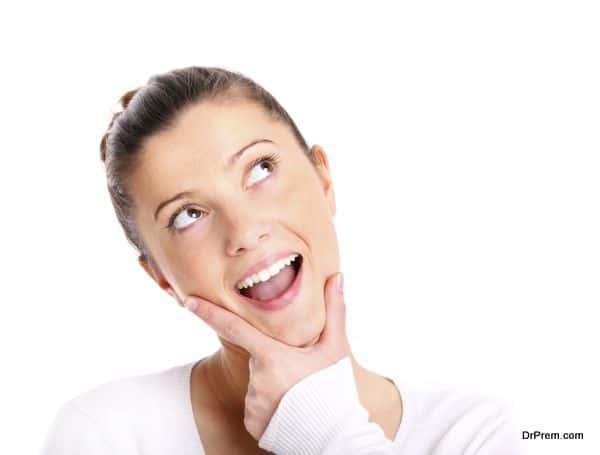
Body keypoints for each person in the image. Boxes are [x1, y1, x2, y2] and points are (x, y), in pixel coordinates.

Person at [41, 66, 524, 454]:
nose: (245, 231)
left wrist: (324, 430)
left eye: (260, 169)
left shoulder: (477, 436)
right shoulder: (106, 436)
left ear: (324, 179)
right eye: (188, 215)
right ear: (162, 278)